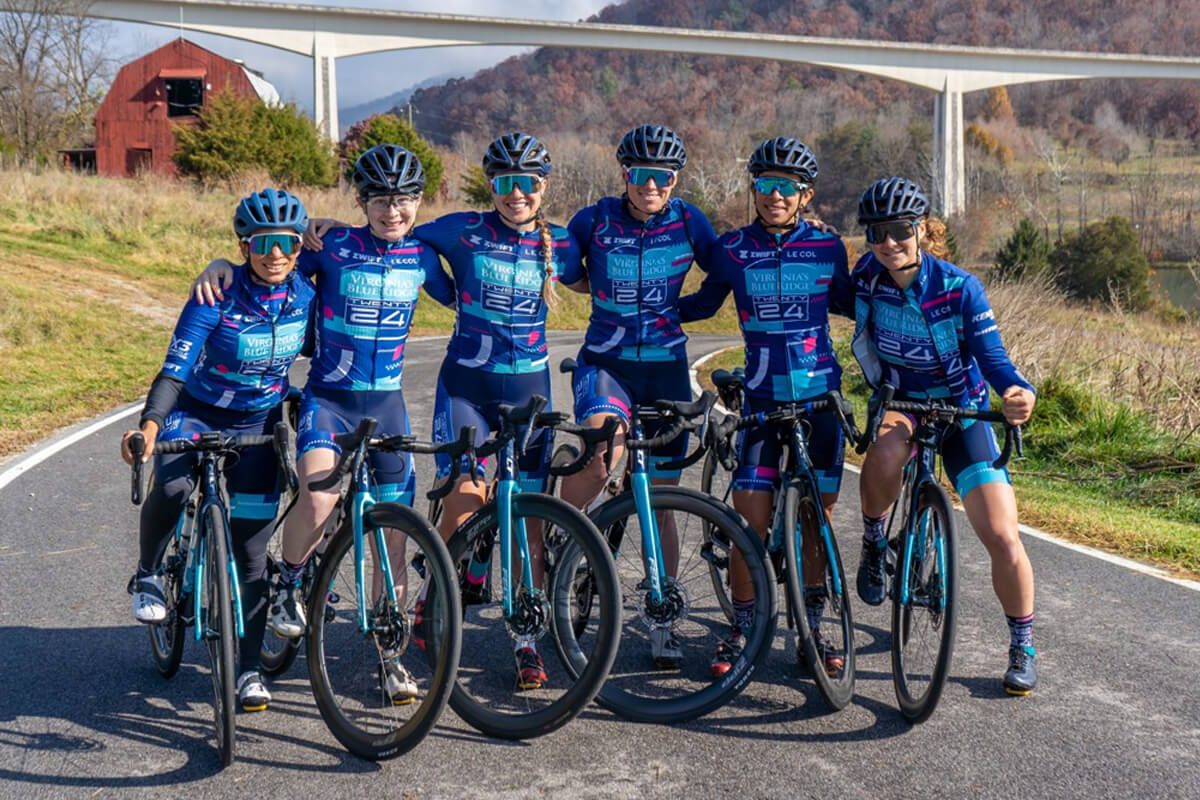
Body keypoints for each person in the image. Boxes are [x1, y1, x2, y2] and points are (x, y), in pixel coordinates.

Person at [189, 144, 455, 705]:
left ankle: (392, 656)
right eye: (380, 199)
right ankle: (288, 581)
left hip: (386, 404)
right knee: (317, 498)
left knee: (395, 539)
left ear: (419, 202)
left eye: (404, 199)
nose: (393, 210)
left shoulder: (425, 257)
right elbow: (268, 267)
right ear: (361, 201)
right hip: (328, 400)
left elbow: (466, 296)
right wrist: (220, 267)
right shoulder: (331, 244)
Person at [122, 188, 316, 712]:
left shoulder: (306, 296)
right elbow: (173, 370)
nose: (275, 253)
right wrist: (150, 427)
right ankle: (147, 575)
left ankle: (249, 670)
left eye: (287, 243)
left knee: (252, 556)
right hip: (197, 412)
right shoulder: (217, 295)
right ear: (243, 245)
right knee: (173, 483)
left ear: (300, 247)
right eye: (261, 242)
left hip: (259, 423)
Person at [850, 176, 1039, 695]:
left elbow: (994, 359)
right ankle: (873, 542)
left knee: (1003, 535)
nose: (889, 242)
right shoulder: (867, 278)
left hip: (964, 410)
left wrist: (1019, 392)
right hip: (902, 403)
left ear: (922, 230)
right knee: (885, 453)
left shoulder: (959, 288)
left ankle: (1022, 642)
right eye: (877, 232)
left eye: (900, 230)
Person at [414, 132, 584, 689]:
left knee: (529, 528)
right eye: (506, 183)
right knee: (466, 501)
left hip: (529, 395)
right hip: (467, 390)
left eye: (528, 184)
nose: (517, 194)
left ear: (543, 187)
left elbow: (621, 247)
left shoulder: (561, 241)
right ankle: (429, 593)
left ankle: (526, 640)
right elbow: (397, 237)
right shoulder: (462, 230)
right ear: (493, 186)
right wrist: (445, 289)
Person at [678, 137, 853, 678]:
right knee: (748, 525)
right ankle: (743, 627)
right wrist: (641, 305)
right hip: (762, 403)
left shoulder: (829, 249)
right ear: (752, 188)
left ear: (806, 195)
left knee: (815, 520)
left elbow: (858, 302)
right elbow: (703, 303)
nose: (774, 195)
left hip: (821, 400)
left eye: (786, 187)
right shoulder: (733, 250)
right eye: (764, 185)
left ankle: (815, 627)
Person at [557, 124, 719, 670]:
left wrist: (682, 312)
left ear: (674, 180)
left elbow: (725, 272)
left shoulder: (688, 219)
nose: (651, 185)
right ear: (624, 174)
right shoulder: (595, 218)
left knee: (663, 499)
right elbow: (567, 271)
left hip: (668, 368)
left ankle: (662, 615)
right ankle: (562, 535)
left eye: (663, 176)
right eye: (641, 175)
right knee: (607, 449)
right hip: (607, 365)